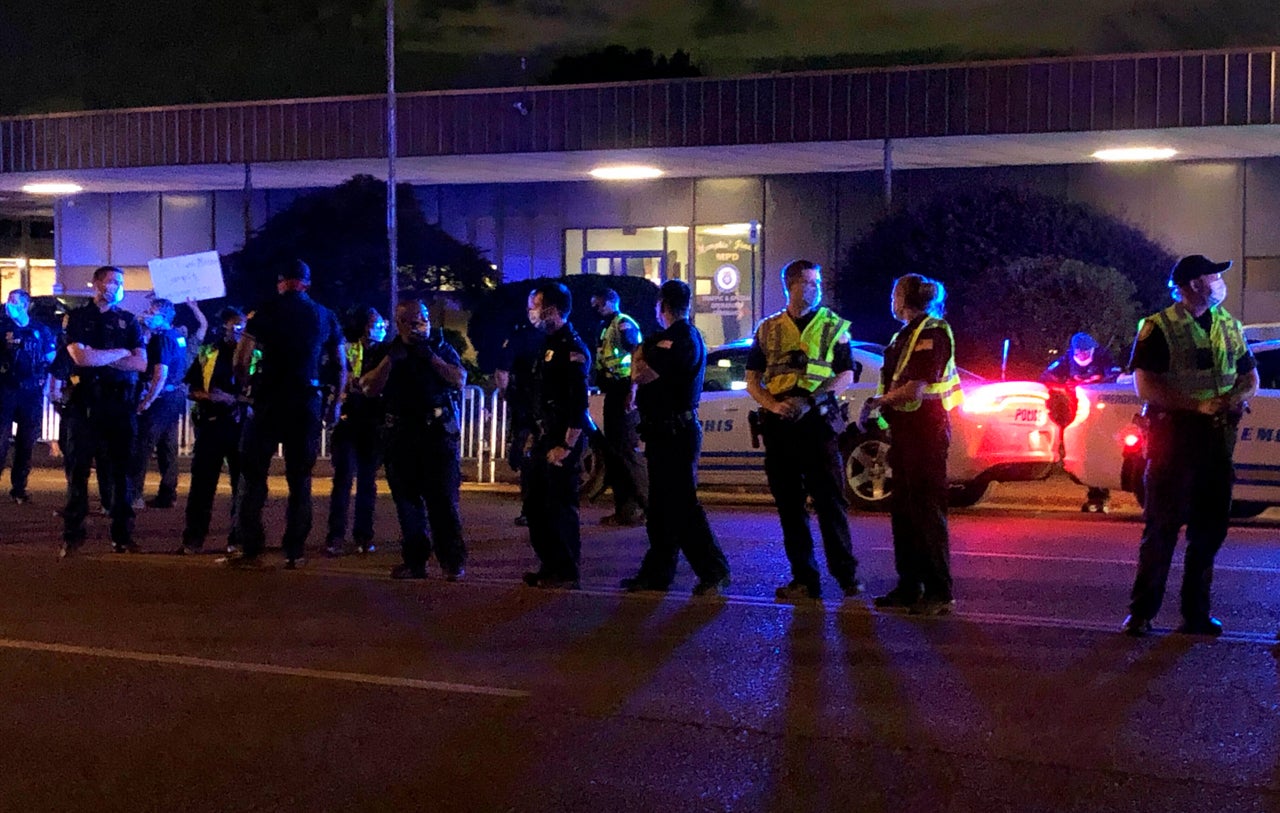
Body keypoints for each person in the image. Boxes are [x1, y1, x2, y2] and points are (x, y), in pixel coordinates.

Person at [1121, 254, 1257, 638]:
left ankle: (1195, 614)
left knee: (1209, 531)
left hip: (1217, 440)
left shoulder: (1229, 325)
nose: (1218, 281)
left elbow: (1250, 374)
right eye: (1213, 275)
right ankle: (1142, 612)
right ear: (1195, 283)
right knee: (1162, 528)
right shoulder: (1158, 327)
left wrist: (1237, 396)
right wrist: (1196, 405)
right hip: (1174, 439)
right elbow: (1146, 386)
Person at [745, 259, 862, 601]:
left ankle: (847, 577)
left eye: (817, 282)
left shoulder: (833, 326)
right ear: (791, 285)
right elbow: (753, 380)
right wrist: (773, 405)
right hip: (780, 423)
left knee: (831, 503)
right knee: (790, 506)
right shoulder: (768, 329)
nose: (816, 288)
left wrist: (811, 401)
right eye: (809, 282)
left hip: (817, 422)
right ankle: (804, 578)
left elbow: (846, 374)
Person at [225, 259, 346, 569]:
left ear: (281, 283)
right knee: (300, 478)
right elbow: (340, 365)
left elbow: (242, 358)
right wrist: (334, 406)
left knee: (253, 476)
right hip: (307, 399)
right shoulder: (325, 315)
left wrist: (246, 386)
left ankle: (251, 547)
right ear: (306, 283)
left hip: (267, 398)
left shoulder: (264, 312)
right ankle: (295, 550)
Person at [861, 273, 964, 616]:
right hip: (905, 431)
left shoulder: (932, 331)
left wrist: (879, 401)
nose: (891, 298)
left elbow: (918, 386)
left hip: (927, 430)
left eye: (895, 292)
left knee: (927, 511)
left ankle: (939, 592)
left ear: (908, 297)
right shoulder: (903, 335)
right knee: (904, 511)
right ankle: (909, 587)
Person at [620, 279, 731, 596]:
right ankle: (657, 573)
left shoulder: (681, 338)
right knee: (661, 508)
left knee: (683, 506)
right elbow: (641, 366)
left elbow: (641, 373)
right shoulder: (672, 337)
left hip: (676, 432)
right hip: (662, 432)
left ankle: (714, 570)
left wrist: (641, 355)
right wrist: (643, 354)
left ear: (662, 306)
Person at [361, 299, 467, 580]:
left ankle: (452, 561)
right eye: (412, 320)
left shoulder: (440, 348)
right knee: (407, 504)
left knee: (443, 501)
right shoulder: (387, 351)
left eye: (423, 319)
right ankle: (415, 561)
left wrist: (429, 356)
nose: (420, 324)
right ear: (400, 324)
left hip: (436, 434)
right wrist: (390, 361)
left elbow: (459, 379)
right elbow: (369, 387)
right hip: (401, 435)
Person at [60, 266, 147, 555]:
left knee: (121, 472)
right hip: (84, 404)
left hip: (120, 405)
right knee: (78, 472)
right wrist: (121, 353)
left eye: (120, 282)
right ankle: (73, 535)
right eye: (112, 281)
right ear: (97, 283)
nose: (116, 286)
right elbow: (81, 357)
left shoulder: (129, 321)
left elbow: (140, 363)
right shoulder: (78, 317)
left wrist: (102, 358)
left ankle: (122, 535)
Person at [521, 281, 591, 589]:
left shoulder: (572, 348)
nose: (532, 313)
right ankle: (549, 564)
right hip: (543, 437)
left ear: (553, 309)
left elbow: (578, 403)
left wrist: (567, 444)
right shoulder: (546, 344)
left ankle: (565, 568)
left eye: (536, 306)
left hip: (563, 439)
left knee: (560, 506)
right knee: (535, 505)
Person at [177, 306, 252, 554]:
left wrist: (234, 400)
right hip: (210, 425)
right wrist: (211, 397)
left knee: (242, 486)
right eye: (236, 327)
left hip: (242, 426)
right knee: (202, 485)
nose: (240, 332)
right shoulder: (208, 352)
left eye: (244, 327)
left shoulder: (257, 355)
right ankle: (193, 539)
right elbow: (191, 389)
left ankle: (238, 539)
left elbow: (262, 394)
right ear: (226, 327)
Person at [324, 308, 389, 556]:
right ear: (365, 327)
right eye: (377, 324)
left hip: (373, 424)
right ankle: (335, 536)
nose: (381, 329)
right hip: (347, 423)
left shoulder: (385, 352)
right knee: (342, 480)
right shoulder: (348, 349)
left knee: (367, 482)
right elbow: (342, 376)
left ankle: (363, 536)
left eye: (383, 324)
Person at [1042, 332, 1119, 512]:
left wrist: (1096, 383)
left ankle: (1099, 497)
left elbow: (1115, 377)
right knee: (1078, 452)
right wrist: (1062, 387)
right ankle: (1088, 486)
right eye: (1079, 352)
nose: (1082, 356)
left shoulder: (1103, 357)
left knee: (1097, 451)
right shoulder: (1066, 360)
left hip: (1099, 413)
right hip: (1073, 411)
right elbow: (1047, 376)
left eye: (1086, 352)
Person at [590, 288, 647, 526]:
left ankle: (643, 507)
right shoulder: (608, 325)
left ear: (613, 302)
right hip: (614, 392)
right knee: (616, 454)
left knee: (626, 453)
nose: (596, 308)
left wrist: (633, 390)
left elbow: (637, 354)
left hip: (624, 391)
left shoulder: (623, 324)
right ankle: (625, 509)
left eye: (600, 303)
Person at [130, 298, 189, 509]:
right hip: (175, 397)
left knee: (142, 446)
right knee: (168, 447)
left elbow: (160, 373)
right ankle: (168, 494)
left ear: (162, 316)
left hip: (161, 397)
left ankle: (134, 495)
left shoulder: (162, 339)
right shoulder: (177, 336)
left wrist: (147, 401)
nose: (146, 314)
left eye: (150, 311)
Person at [0, 289, 56, 504]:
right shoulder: (3, 328)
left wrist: (53, 383)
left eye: (15, 302)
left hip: (31, 392)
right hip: (6, 390)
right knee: (1, 443)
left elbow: (51, 358)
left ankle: (19, 488)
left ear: (26, 305)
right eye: (9, 301)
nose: (10, 305)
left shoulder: (40, 330)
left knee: (26, 443)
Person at [494, 310, 543, 527]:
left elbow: (502, 371)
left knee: (527, 458)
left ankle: (530, 509)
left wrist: (506, 393)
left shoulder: (520, 336)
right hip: (549, 408)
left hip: (526, 407)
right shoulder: (561, 337)